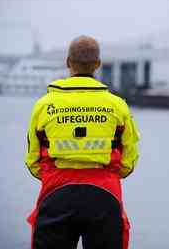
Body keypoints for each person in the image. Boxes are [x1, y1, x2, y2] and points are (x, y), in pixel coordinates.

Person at [25, 35, 140, 249]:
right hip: (105, 195)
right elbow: (128, 161)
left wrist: (57, 175)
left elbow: (33, 160)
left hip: (55, 192)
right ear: (98, 64)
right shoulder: (118, 106)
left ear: (68, 62)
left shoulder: (43, 105)